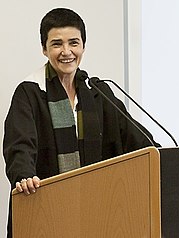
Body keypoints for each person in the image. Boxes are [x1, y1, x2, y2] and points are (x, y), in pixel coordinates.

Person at [3, 8, 160, 238]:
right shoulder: (30, 92)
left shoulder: (97, 91)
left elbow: (140, 141)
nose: (66, 51)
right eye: (57, 44)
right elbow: (20, 145)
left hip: (97, 213)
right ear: (44, 49)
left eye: (73, 43)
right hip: (46, 215)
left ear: (83, 47)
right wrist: (24, 175)